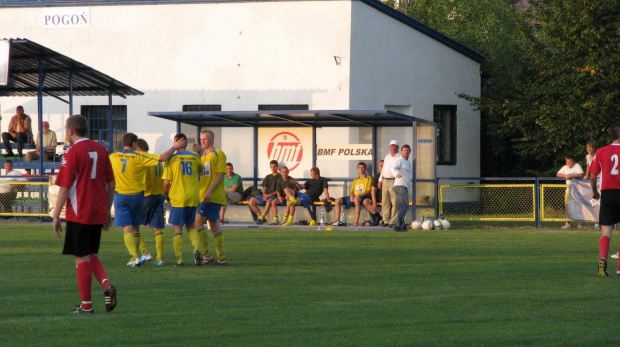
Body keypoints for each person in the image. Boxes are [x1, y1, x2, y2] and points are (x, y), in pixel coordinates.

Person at [51, 114, 117, 314]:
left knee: (80, 257)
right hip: (97, 210)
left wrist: (55, 215)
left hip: (79, 211)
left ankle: (87, 305)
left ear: (70, 130)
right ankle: (105, 283)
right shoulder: (102, 150)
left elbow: (64, 186)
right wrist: (106, 211)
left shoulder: (71, 153)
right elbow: (111, 183)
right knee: (88, 252)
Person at [109, 132, 185, 267]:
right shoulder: (143, 158)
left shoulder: (113, 156)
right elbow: (162, 158)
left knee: (128, 227)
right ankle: (159, 258)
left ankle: (137, 255)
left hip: (126, 195)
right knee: (150, 228)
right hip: (148, 196)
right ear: (134, 144)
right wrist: (174, 147)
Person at [162, 133, 204, 267]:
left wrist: (167, 195)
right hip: (192, 196)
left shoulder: (171, 159)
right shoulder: (195, 157)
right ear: (185, 143)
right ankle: (197, 249)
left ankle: (179, 260)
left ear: (176, 142)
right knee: (190, 225)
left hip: (178, 197)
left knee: (177, 228)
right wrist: (197, 153)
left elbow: (167, 183)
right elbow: (200, 170)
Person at [192, 129, 229, 266]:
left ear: (212, 140)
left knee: (197, 223)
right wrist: (196, 154)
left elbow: (220, 173)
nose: (202, 141)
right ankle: (221, 258)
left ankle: (207, 255)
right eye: (201, 139)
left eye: (205, 139)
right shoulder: (202, 157)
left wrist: (209, 191)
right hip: (204, 196)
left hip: (212, 196)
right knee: (214, 227)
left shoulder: (218, 154)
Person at [590, 122, 620, 276]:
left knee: (606, 231)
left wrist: (594, 192)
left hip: (608, 194)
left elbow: (593, 177)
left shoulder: (601, 151)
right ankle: (619, 267)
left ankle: (602, 261)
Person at [136, 139, 165, 265]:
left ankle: (145, 252)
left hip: (147, 196)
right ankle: (159, 258)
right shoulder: (157, 161)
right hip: (159, 195)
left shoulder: (143, 160)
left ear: (137, 148)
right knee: (157, 228)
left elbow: (142, 180)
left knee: (132, 225)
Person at [331, 162, 372, 227]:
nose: (361, 169)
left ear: (365, 169)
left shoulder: (369, 178)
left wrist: (358, 195)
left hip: (362, 196)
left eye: (362, 167)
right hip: (354, 196)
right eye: (359, 168)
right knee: (337, 201)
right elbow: (352, 190)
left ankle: (356, 222)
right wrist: (351, 196)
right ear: (357, 169)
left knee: (356, 199)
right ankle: (337, 221)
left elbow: (368, 191)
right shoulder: (355, 180)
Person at [248, 160, 282, 225]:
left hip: (274, 196)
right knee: (251, 201)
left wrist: (268, 196)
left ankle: (261, 218)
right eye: (271, 167)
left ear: (277, 167)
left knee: (269, 201)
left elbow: (278, 190)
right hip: (266, 196)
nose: (273, 168)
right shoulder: (268, 176)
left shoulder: (280, 177)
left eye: (274, 166)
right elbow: (264, 188)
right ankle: (261, 217)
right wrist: (264, 194)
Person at [556, 155, 584, 229]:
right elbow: (558, 174)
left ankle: (580, 223)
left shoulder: (577, 166)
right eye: (567, 161)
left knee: (578, 207)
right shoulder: (565, 167)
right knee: (567, 207)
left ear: (573, 161)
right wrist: (565, 176)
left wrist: (571, 176)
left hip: (577, 191)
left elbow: (581, 174)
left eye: (570, 161)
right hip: (568, 191)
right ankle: (568, 223)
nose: (569, 163)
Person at [377, 140, 401, 228]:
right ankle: (386, 220)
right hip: (385, 180)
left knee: (394, 201)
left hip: (394, 180)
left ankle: (393, 221)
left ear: (398, 147)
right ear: (389, 147)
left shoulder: (400, 157)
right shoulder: (387, 156)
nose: (393, 147)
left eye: (395, 146)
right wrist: (380, 180)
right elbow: (383, 169)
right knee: (385, 201)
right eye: (392, 146)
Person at [392, 145, 412, 232]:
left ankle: (402, 226)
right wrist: (396, 174)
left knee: (402, 206)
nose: (406, 152)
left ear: (409, 152)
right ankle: (397, 225)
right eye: (404, 150)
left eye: (407, 150)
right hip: (400, 185)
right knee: (405, 206)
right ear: (401, 151)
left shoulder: (408, 163)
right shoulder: (400, 160)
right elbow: (392, 168)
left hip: (405, 186)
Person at [364, 159, 384, 226]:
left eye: (383, 165)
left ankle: (385, 220)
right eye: (380, 165)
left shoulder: (389, 176)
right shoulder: (377, 176)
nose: (381, 167)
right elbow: (373, 189)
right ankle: (377, 216)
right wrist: (374, 202)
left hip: (386, 197)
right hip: (378, 196)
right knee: (366, 201)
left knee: (387, 202)